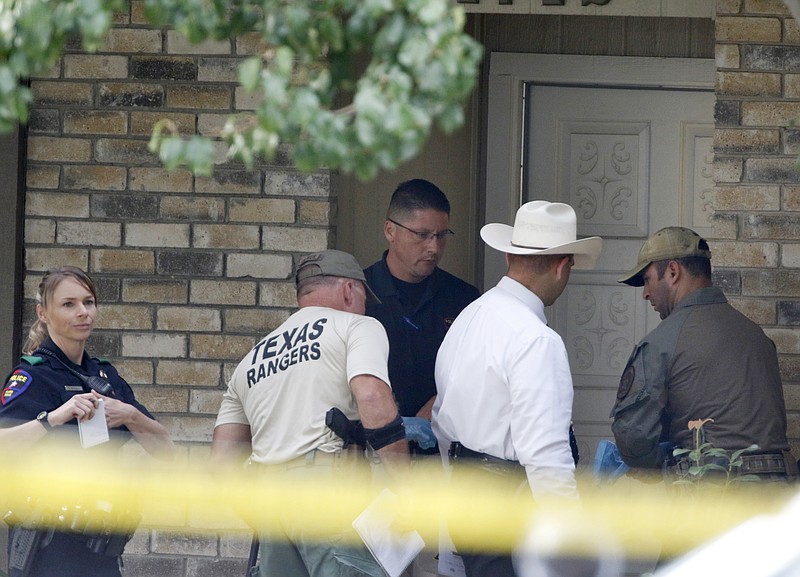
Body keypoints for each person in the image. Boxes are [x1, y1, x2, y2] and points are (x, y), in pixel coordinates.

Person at [211, 249, 409, 577]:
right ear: (349, 290)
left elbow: (221, 467)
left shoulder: (251, 360)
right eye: (362, 298)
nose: (363, 307)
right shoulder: (356, 326)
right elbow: (372, 396)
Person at [433, 201, 602, 577]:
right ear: (563, 265)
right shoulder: (535, 339)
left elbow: (441, 418)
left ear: (509, 254)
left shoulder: (469, 317)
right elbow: (544, 452)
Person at [0, 266, 174, 577]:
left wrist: (130, 415)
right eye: (69, 304)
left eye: (89, 302)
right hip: (49, 548)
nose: (83, 312)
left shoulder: (105, 375)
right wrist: (54, 418)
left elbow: (165, 448)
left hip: (101, 546)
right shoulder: (33, 376)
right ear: (43, 313)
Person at [611, 227, 797, 481]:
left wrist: (662, 471)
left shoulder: (660, 343)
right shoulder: (758, 337)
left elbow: (633, 436)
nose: (646, 293)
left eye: (647, 279)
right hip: (778, 494)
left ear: (673, 272)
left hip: (711, 494)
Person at [363, 179, 480, 452]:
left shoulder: (464, 298)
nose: (434, 248)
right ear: (390, 230)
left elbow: (479, 372)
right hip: (372, 451)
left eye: (442, 235)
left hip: (444, 449)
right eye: (422, 234)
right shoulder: (359, 294)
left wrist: (439, 403)